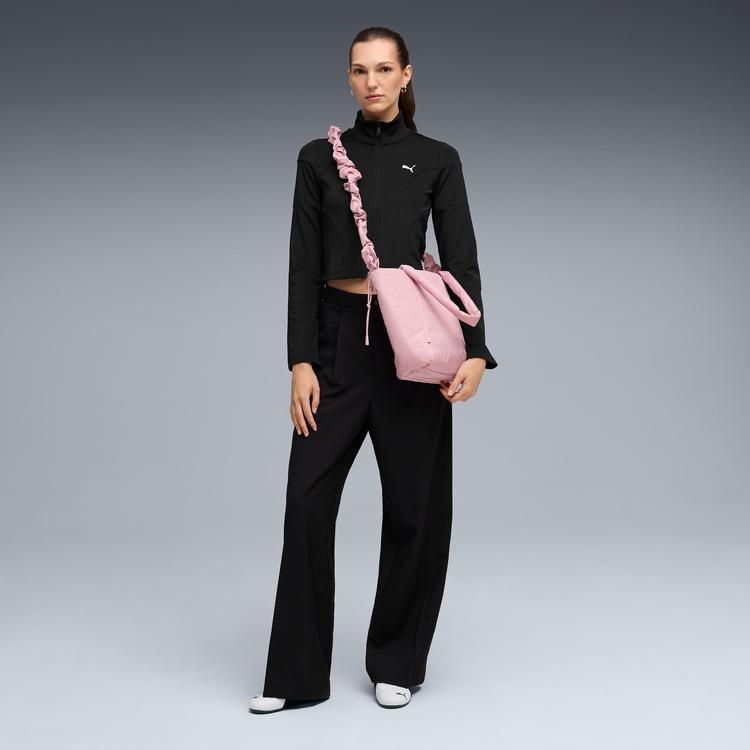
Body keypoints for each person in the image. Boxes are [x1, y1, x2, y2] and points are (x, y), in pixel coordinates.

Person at [250, 26, 498, 714]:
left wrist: (477, 350)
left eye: (385, 69)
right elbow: (302, 263)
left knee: (415, 509)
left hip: (411, 347)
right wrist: (301, 360)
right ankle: (294, 676)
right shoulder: (318, 158)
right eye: (360, 70)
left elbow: (461, 258)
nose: (372, 82)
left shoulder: (438, 158)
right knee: (307, 504)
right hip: (336, 344)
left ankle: (397, 662)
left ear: (406, 75)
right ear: (349, 79)